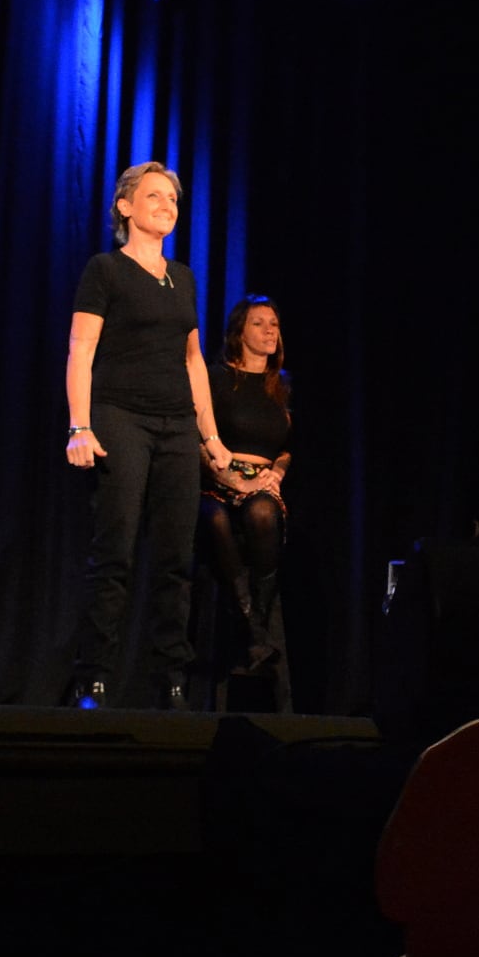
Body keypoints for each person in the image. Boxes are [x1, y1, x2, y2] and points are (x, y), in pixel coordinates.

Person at [64, 163, 234, 709]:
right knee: (114, 552)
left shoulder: (182, 277)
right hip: (121, 418)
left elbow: (193, 362)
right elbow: (81, 350)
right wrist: (80, 425)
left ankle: (172, 682)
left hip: (177, 426)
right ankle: (94, 678)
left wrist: (211, 438)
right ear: (125, 207)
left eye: (173, 199)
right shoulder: (105, 270)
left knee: (175, 559)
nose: (167, 206)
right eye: (155, 196)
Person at [202, 295, 294, 700]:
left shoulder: (282, 384)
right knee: (215, 519)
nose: (270, 330)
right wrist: (228, 477)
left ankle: (255, 623)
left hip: (263, 483)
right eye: (259, 323)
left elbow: (289, 448)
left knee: (262, 515)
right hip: (218, 477)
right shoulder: (217, 378)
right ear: (239, 332)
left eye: (274, 324)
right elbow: (198, 436)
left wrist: (277, 473)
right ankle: (252, 628)